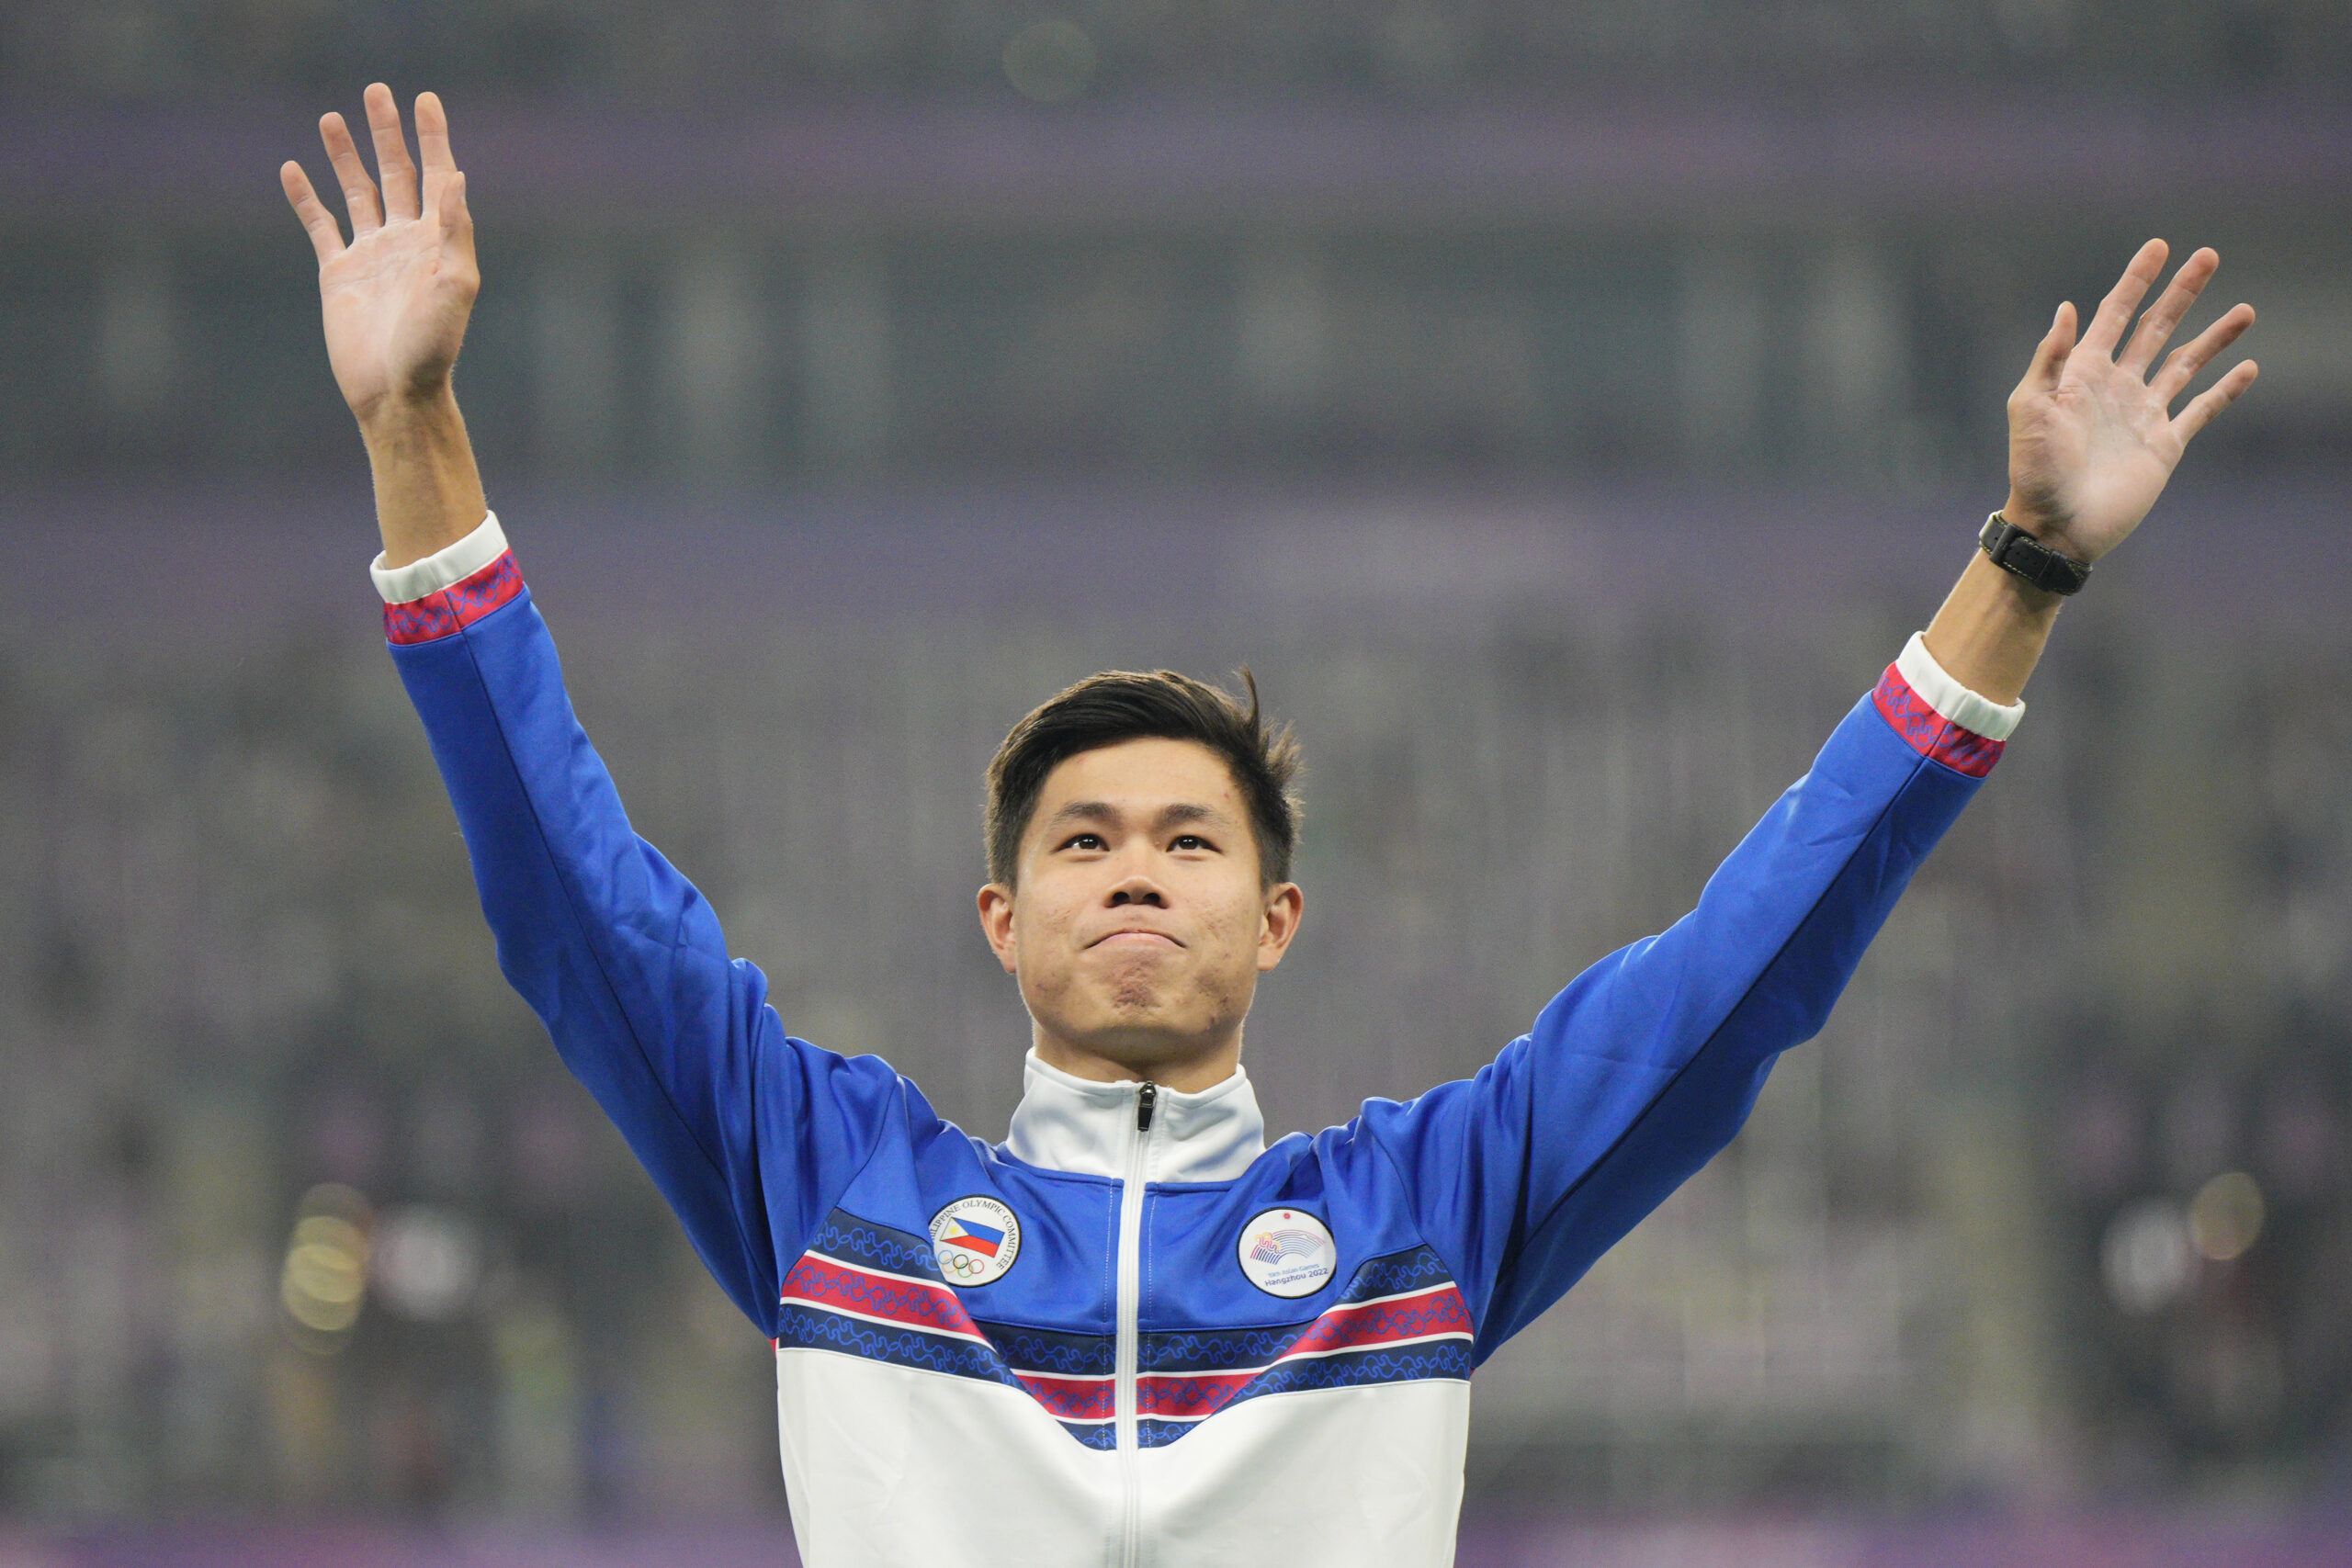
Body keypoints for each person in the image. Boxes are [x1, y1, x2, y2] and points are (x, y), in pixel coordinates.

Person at [282, 84, 2256, 1568]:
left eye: (1185, 837)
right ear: (996, 917)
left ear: (1279, 919)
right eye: (1081, 839)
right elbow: (572, 901)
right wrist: (412, 430)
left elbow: (1739, 973)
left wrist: (2019, 565)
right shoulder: (834, 1189)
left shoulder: (1419, 1217)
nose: (1133, 862)